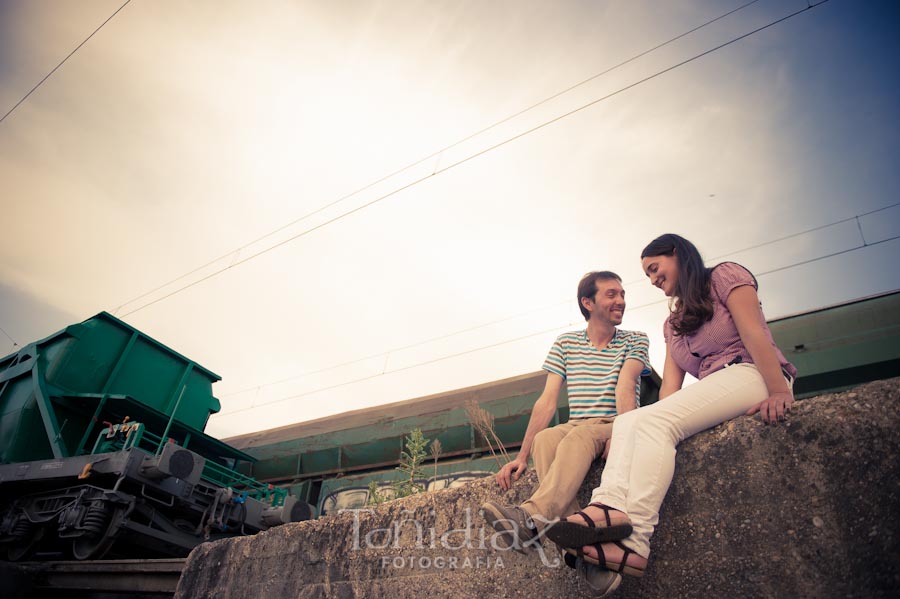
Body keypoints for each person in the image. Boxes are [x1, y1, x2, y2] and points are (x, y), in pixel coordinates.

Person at [545, 234, 797, 587]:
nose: (652, 280)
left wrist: (777, 390)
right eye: (647, 275)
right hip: (720, 386)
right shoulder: (673, 324)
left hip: (752, 372)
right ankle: (607, 508)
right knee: (633, 420)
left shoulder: (724, 277)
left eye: (654, 269)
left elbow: (755, 333)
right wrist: (633, 429)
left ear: (676, 254)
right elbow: (669, 390)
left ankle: (635, 542)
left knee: (655, 424)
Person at [480, 271, 650, 591]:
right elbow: (546, 402)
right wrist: (522, 456)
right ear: (588, 302)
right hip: (577, 424)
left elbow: (626, 387)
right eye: (611, 294)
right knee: (546, 438)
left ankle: (531, 518)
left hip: (613, 422)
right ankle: (587, 553)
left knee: (577, 436)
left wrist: (625, 431)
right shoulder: (566, 343)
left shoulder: (635, 339)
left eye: (622, 294)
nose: (621, 300)